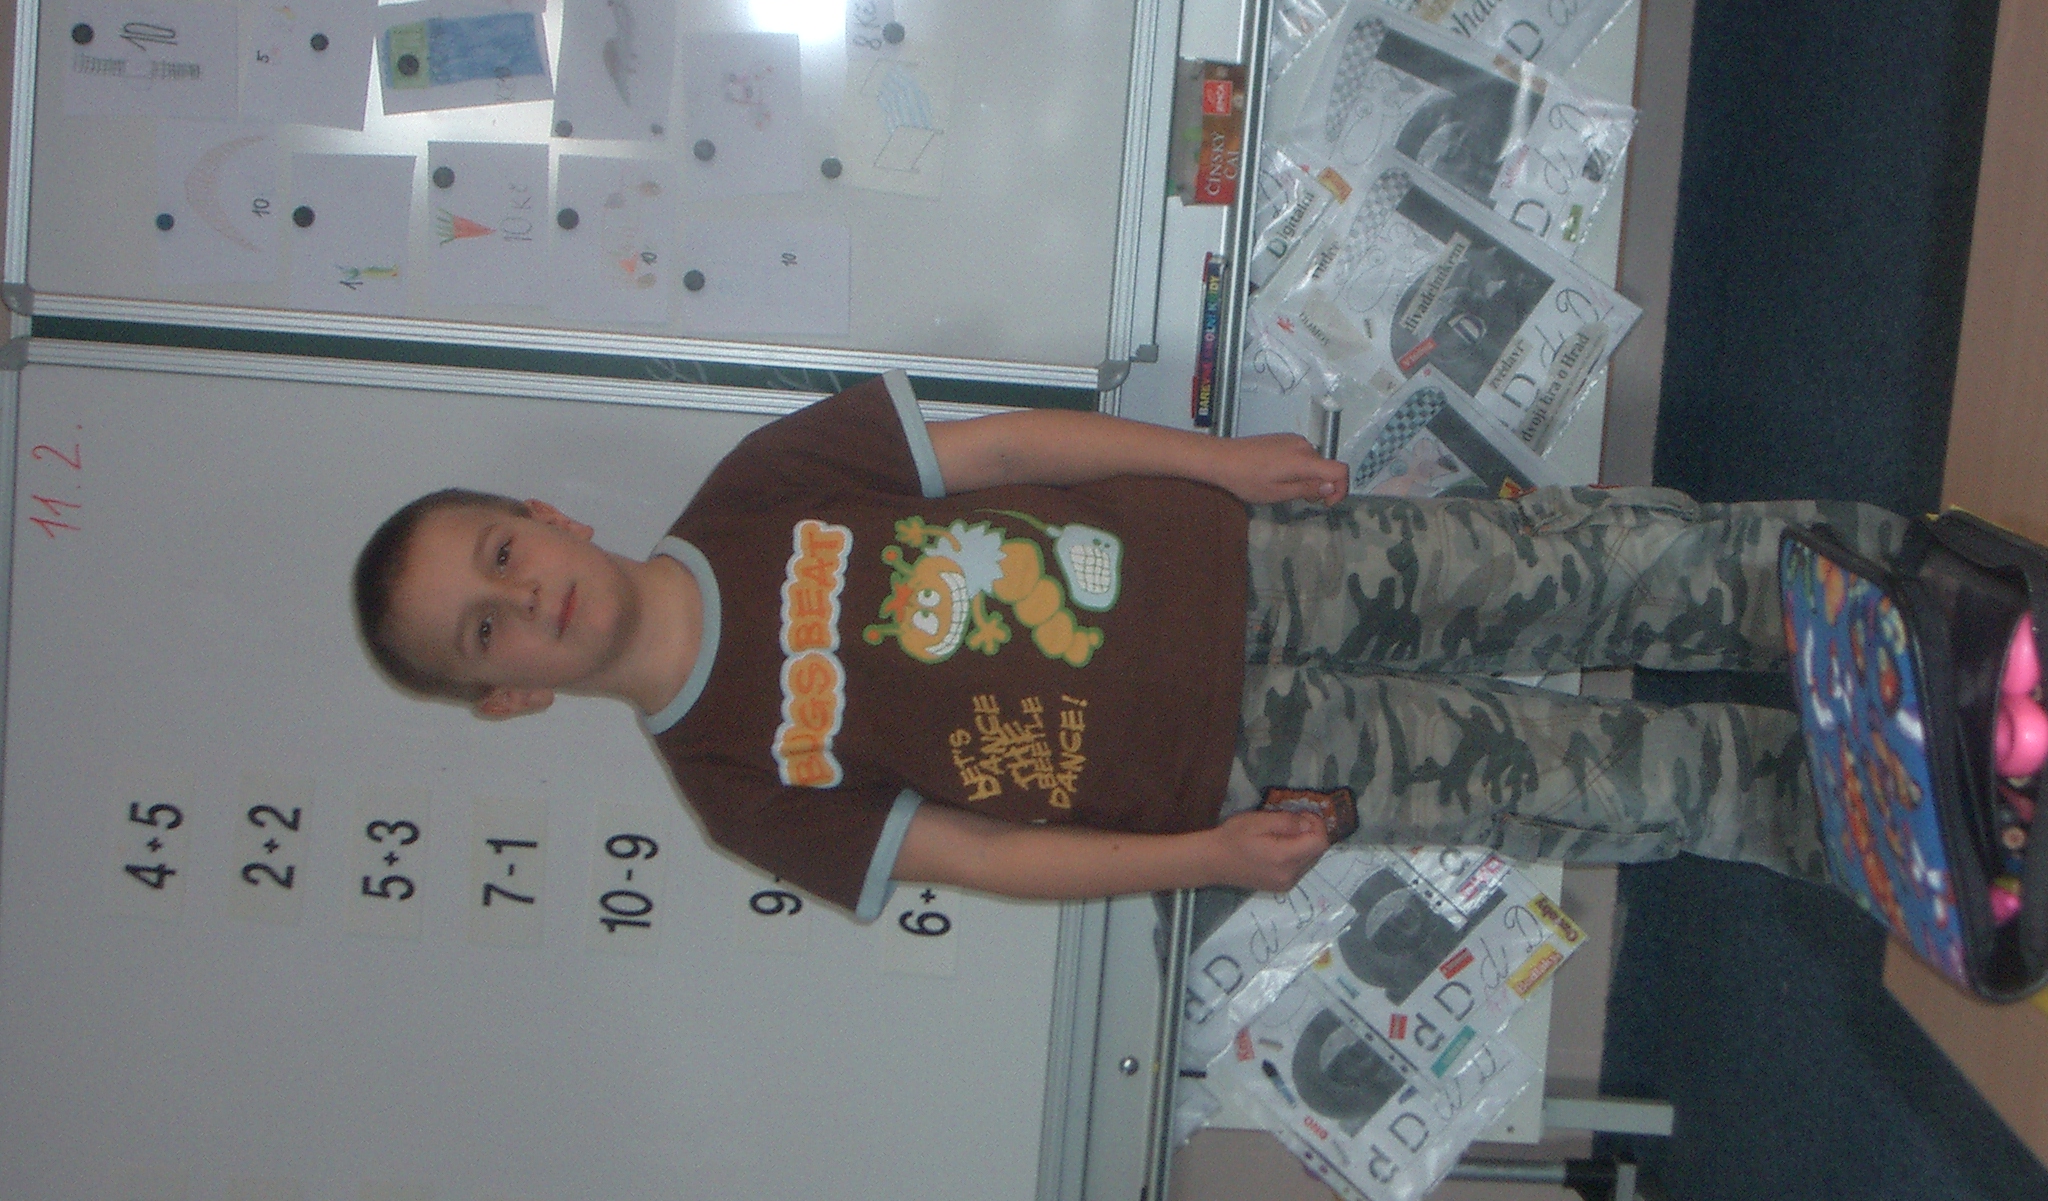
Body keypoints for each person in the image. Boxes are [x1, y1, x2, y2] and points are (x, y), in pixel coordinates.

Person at [353, 371, 1904, 919]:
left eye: (503, 556)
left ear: (544, 516)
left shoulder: (761, 482)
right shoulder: (733, 793)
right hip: (1233, 768)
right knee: (1557, 779)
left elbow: (1008, 452)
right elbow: (984, 854)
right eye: (488, 632)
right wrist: (1206, 859)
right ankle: (1859, 809)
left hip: (1254, 562)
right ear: (510, 696)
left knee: (1567, 570)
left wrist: (1221, 464)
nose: (528, 599)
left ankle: (1885, 599)